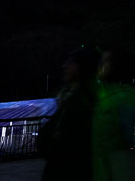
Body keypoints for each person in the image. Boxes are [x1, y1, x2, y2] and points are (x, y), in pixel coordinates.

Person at [92, 49, 135, 181]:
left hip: (120, 172)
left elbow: (132, 141)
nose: (100, 65)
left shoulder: (122, 98)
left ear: (115, 67)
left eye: (105, 61)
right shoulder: (109, 95)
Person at [39, 46, 100, 181]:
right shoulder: (80, 97)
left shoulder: (79, 101)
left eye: (71, 62)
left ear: (83, 67)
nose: (64, 66)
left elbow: (64, 142)